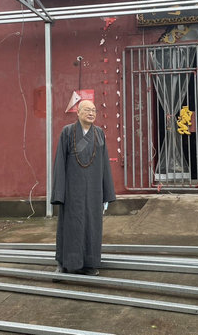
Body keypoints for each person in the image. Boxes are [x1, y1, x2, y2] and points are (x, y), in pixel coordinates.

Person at [52, 100, 116, 275]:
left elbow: (104, 163)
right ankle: (63, 263)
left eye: (94, 110)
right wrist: (59, 192)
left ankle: (89, 263)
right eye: (87, 110)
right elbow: (60, 163)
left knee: (91, 226)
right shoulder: (67, 132)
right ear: (78, 112)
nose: (91, 113)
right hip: (73, 190)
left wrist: (106, 192)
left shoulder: (99, 134)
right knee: (70, 226)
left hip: (94, 190)